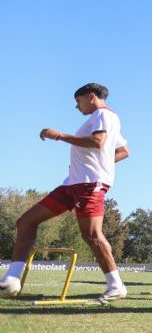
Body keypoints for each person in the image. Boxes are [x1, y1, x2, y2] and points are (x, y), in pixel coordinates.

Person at [0, 83, 130, 303]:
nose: (76, 107)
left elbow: (98, 142)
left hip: (89, 185)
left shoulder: (102, 115)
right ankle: (12, 279)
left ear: (91, 97)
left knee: (91, 235)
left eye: (78, 101)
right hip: (72, 185)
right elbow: (123, 151)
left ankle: (116, 286)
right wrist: (95, 163)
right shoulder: (105, 119)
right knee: (26, 222)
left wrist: (58, 135)